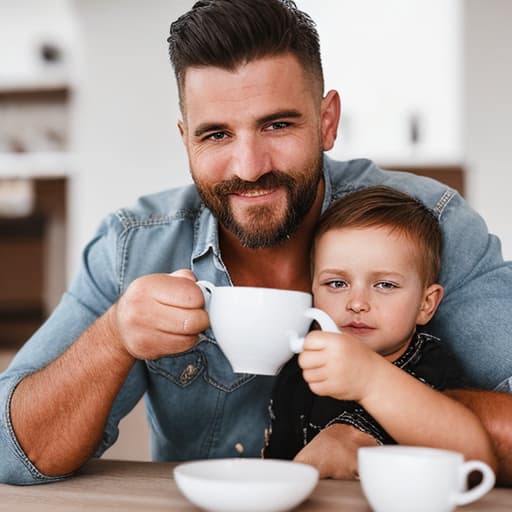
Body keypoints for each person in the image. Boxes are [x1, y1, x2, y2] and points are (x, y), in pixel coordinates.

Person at [0, 0, 511, 485]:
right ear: (185, 140)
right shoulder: (134, 247)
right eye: (216, 135)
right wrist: (112, 338)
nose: (249, 167)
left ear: (327, 121)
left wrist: (378, 418)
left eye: (278, 124)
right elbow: (10, 453)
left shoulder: (430, 223)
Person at [264, 186, 496, 477]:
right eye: (336, 283)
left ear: (426, 304)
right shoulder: (298, 371)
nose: (357, 303)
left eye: (385, 285)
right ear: (312, 292)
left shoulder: (430, 363)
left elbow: (474, 461)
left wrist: (369, 378)